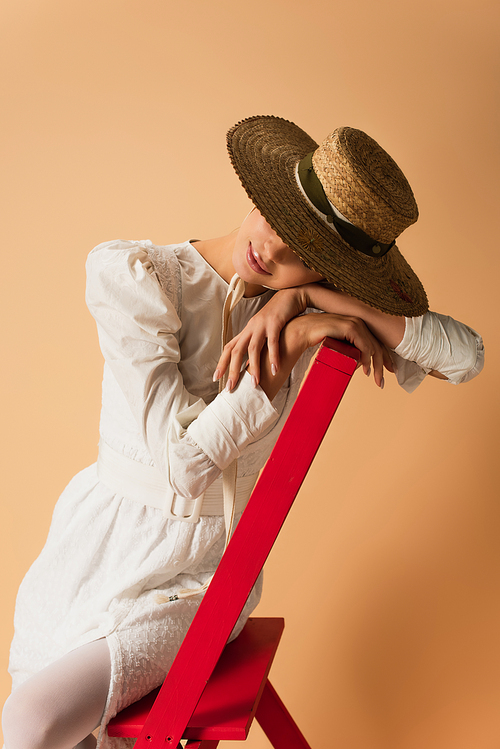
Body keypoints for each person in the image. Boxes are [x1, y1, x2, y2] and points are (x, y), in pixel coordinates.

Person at [2, 115, 484, 749]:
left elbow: (465, 355)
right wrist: (288, 337)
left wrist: (317, 306)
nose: (276, 252)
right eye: (279, 223)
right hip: (96, 551)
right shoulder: (135, 276)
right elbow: (178, 461)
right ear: (263, 196)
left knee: (32, 721)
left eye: (307, 258)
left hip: (200, 582)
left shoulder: (304, 303)